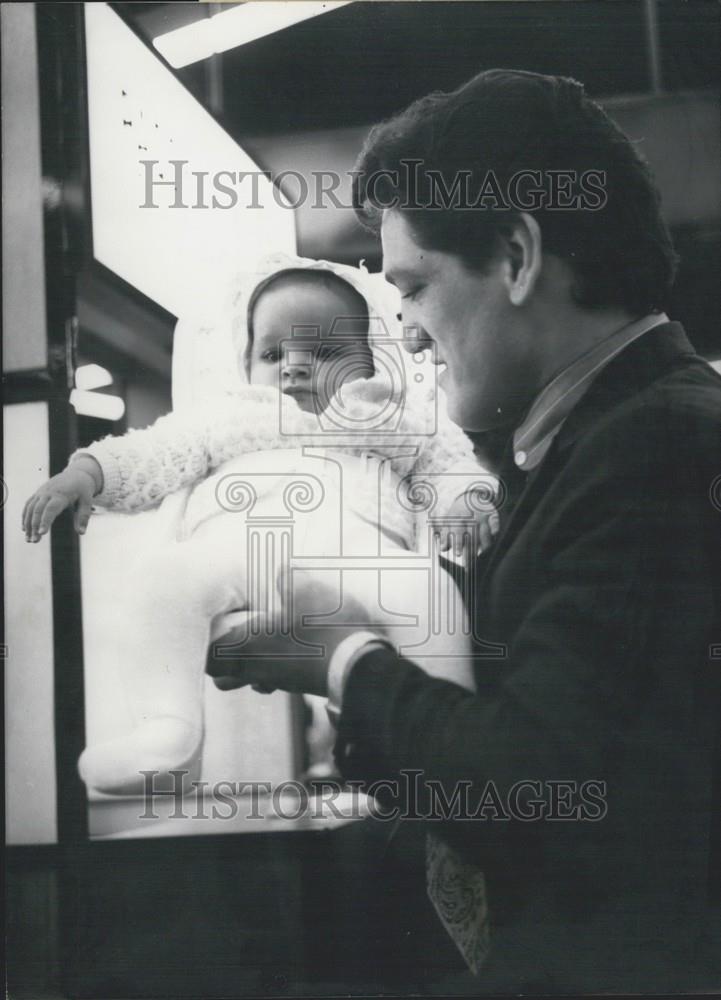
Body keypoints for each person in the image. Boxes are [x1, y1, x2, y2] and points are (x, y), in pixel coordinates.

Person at [206, 71, 721, 992]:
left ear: (517, 256)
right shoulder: (585, 449)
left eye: (413, 287)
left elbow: (535, 792)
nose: (404, 332)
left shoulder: (655, 447)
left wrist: (343, 658)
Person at [22, 253, 494, 795]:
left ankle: (445, 724)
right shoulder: (226, 416)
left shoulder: (387, 415)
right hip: (230, 550)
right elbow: (153, 451)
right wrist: (88, 472)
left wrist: (467, 497)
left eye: (323, 351)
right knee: (159, 578)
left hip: (355, 553)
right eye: (273, 352)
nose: (293, 366)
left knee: (424, 585)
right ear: (245, 361)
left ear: (373, 360)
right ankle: (169, 736)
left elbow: (448, 461)